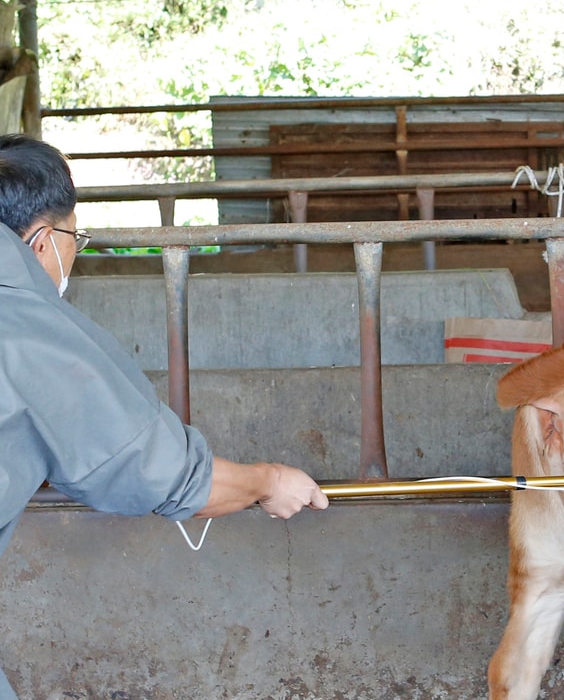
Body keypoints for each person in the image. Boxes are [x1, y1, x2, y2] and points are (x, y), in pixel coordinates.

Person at [0, 133, 329, 699]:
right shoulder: (29, 327)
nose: (72, 251)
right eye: (74, 236)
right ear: (40, 241)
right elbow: (163, 472)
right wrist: (268, 482)